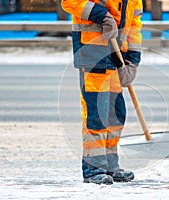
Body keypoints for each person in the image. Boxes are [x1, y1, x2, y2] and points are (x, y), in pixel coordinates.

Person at [61, 0, 143, 185]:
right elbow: (69, 2)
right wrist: (101, 15)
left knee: (116, 115)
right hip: (93, 54)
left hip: (117, 58)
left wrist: (133, 60)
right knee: (97, 115)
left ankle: (110, 166)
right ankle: (93, 168)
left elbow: (134, 25)